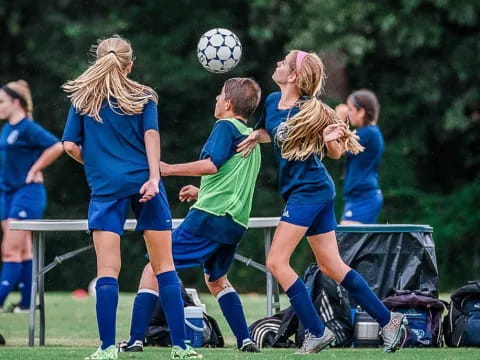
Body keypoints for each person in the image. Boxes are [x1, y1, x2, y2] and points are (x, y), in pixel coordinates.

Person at [237, 50, 407, 354]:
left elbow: (336, 153)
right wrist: (254, 136)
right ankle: (389, 320)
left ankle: (317, 331)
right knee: (331, 265)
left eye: (283, 63)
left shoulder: (313, 110)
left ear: (293, 76)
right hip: (303, 191)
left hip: (310, 190)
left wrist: (331, 139)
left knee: (276, 262)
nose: (276, 63)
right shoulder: (272, 103)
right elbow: (269, 132)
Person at [62, 35, 201, 360]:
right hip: (144, 183)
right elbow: (152, 135)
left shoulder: (83, 99)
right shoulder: (143, 96)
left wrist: (97, 164)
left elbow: (69, 146)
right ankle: (181, 349)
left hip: (106, 188)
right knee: (164, 266)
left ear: (98, 61)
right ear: (130, 65)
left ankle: (107, 348)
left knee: (108, 271)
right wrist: (154, 176)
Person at [119, 78, 262, 353]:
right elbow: (233, 179)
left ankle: (136, 340)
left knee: (155, 266)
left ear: (229, 104)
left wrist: (168, 169)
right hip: (234, 222)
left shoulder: (225, 127)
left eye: (220, 96)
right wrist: (202, 193)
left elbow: (211, 164)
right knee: (217, 280)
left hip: (210, 217)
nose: (216, 100)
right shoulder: (250, 138)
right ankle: (245, 340)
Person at [0, 80, 63, 313]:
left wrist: (35, 169)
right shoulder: (7, 128)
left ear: (16, 102)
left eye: (1, 102)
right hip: (7, 193)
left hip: (27, 194)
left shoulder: (27, 127)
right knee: (23, 249)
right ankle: (27, 304)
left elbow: (57, 146)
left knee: (9, 250)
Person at [336, 90, 384, 224]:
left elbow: (338, 149)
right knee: (351, 243)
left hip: (364, 198)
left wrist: (339, 120)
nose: (348, 113)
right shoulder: (367, 133)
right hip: (358, 197)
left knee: (347, 242)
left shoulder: (368, 133)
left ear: (361, 111)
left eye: (351, 109)